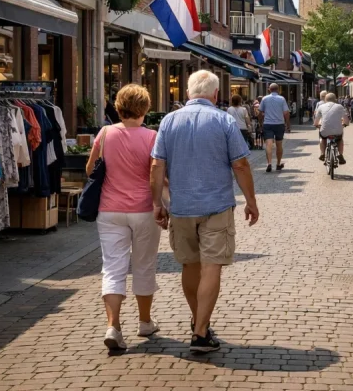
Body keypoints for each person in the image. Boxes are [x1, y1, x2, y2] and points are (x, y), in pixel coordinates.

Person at [150, 70, 260, 353]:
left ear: (188, 92)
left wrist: (157, 204)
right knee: (211, 267)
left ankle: (199, 321)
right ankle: (200, 331)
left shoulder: (169, 121)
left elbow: (157, 165)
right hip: (216, 206)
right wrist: (250, 200)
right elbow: (240, 164)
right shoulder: (224, 120)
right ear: (215, 94)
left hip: (181, 207)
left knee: (190, 265)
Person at [86, 84, 160, 352]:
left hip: (110, 210)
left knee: (112, 267)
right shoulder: (152, 137)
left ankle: (113, 326)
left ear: (118, 107)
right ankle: (145, 322)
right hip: (143, 210)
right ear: (145, 108)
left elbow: (90, 169)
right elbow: (156, 174)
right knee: (144, 264)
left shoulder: (105, 133)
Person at [258, 83, 291, 172]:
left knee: (268, 144)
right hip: (279, 124)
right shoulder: (282, 99)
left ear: (269, 89)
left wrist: (260, 123)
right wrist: (288, 124)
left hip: (268, 124)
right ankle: (278, 164)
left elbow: (260, 112)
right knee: (279, 144)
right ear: (278, 89)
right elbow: (286, 113)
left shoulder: (264, 99)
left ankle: (269, 163)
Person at [314, 92, 348, 163]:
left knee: (322, 139)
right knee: (340, 140)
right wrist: (345, 124)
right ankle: (340, 154)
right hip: (337, 130)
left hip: (325, 130)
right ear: (335, 99)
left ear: (325, 99)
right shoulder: (340, 107)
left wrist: (316, 124)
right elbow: (346, 119)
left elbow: (316, 119)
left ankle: (322, 154)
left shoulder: (321, 107)